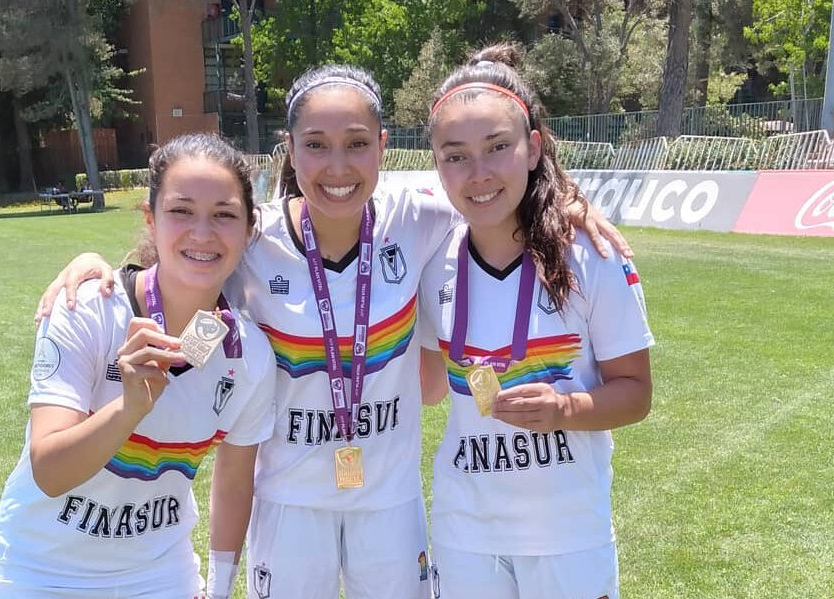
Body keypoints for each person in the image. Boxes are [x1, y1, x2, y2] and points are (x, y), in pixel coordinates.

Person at [36, 65, 631, 599]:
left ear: (383, 148)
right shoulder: (251, 238)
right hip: (289, 504)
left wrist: (568, 207)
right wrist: (101, 268)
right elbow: (187, 264)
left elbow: (493, 192)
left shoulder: (420, 218)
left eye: (356, 144)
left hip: (390, 505)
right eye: (316, 145)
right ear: (289, 152)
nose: (338, 167)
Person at [0, 133, 277, 599]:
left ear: (248, 230)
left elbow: (235, 481)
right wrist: (127, 410)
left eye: (224, 215)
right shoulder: (88, 309)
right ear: (151, 217)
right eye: (181, 211)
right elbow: (49, 471)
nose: (202, 233)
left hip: (160, 576)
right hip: (43, 571)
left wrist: (220, 590)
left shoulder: (250, 355)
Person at [418, 44, 654, 599]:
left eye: (498, 147)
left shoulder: (592, 257)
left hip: (568, 535)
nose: (478, 174)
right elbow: (428, 390)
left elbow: (637, 393)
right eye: (456, 155)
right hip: (464, 532)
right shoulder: (432, 260)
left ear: (533, 148)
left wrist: (565, 408)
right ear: (436, 163)